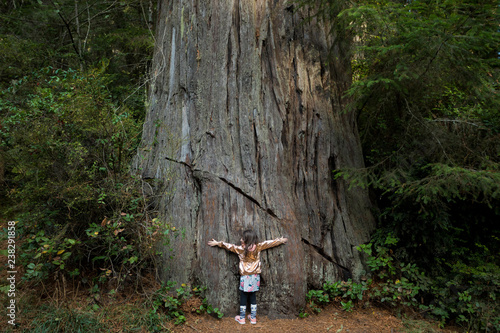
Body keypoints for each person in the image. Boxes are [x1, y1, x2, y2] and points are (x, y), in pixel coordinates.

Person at [208, 229, 288, 325]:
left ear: (247, 240)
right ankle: (253, 318)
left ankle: (242, 318)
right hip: (255, 277)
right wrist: (280, 240)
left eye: (242, 238)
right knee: (253, 296)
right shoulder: (258, 247)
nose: (241, 239)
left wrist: (218, 243)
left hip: (245, 277)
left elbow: (229, 246)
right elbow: (269, 243)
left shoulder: (241, 249)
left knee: (243, 296)